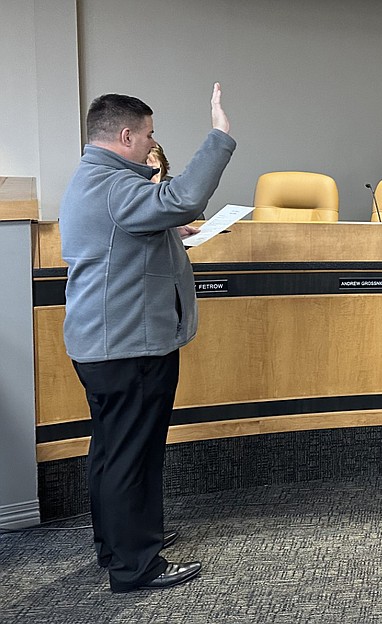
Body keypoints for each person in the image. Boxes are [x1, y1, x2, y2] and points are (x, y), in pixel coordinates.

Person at [59, 83, 236, 593]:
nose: (151, 143)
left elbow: (129, 229)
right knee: (130, 454)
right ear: (125, 134)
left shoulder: (94, 178)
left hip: (109, 344)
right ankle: (135, 566)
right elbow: (182, 197)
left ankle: (122, 543)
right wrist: (219, 136)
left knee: (115, 451)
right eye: (149, 135)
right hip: (128, 347)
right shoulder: (115, 186)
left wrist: (164, 232)